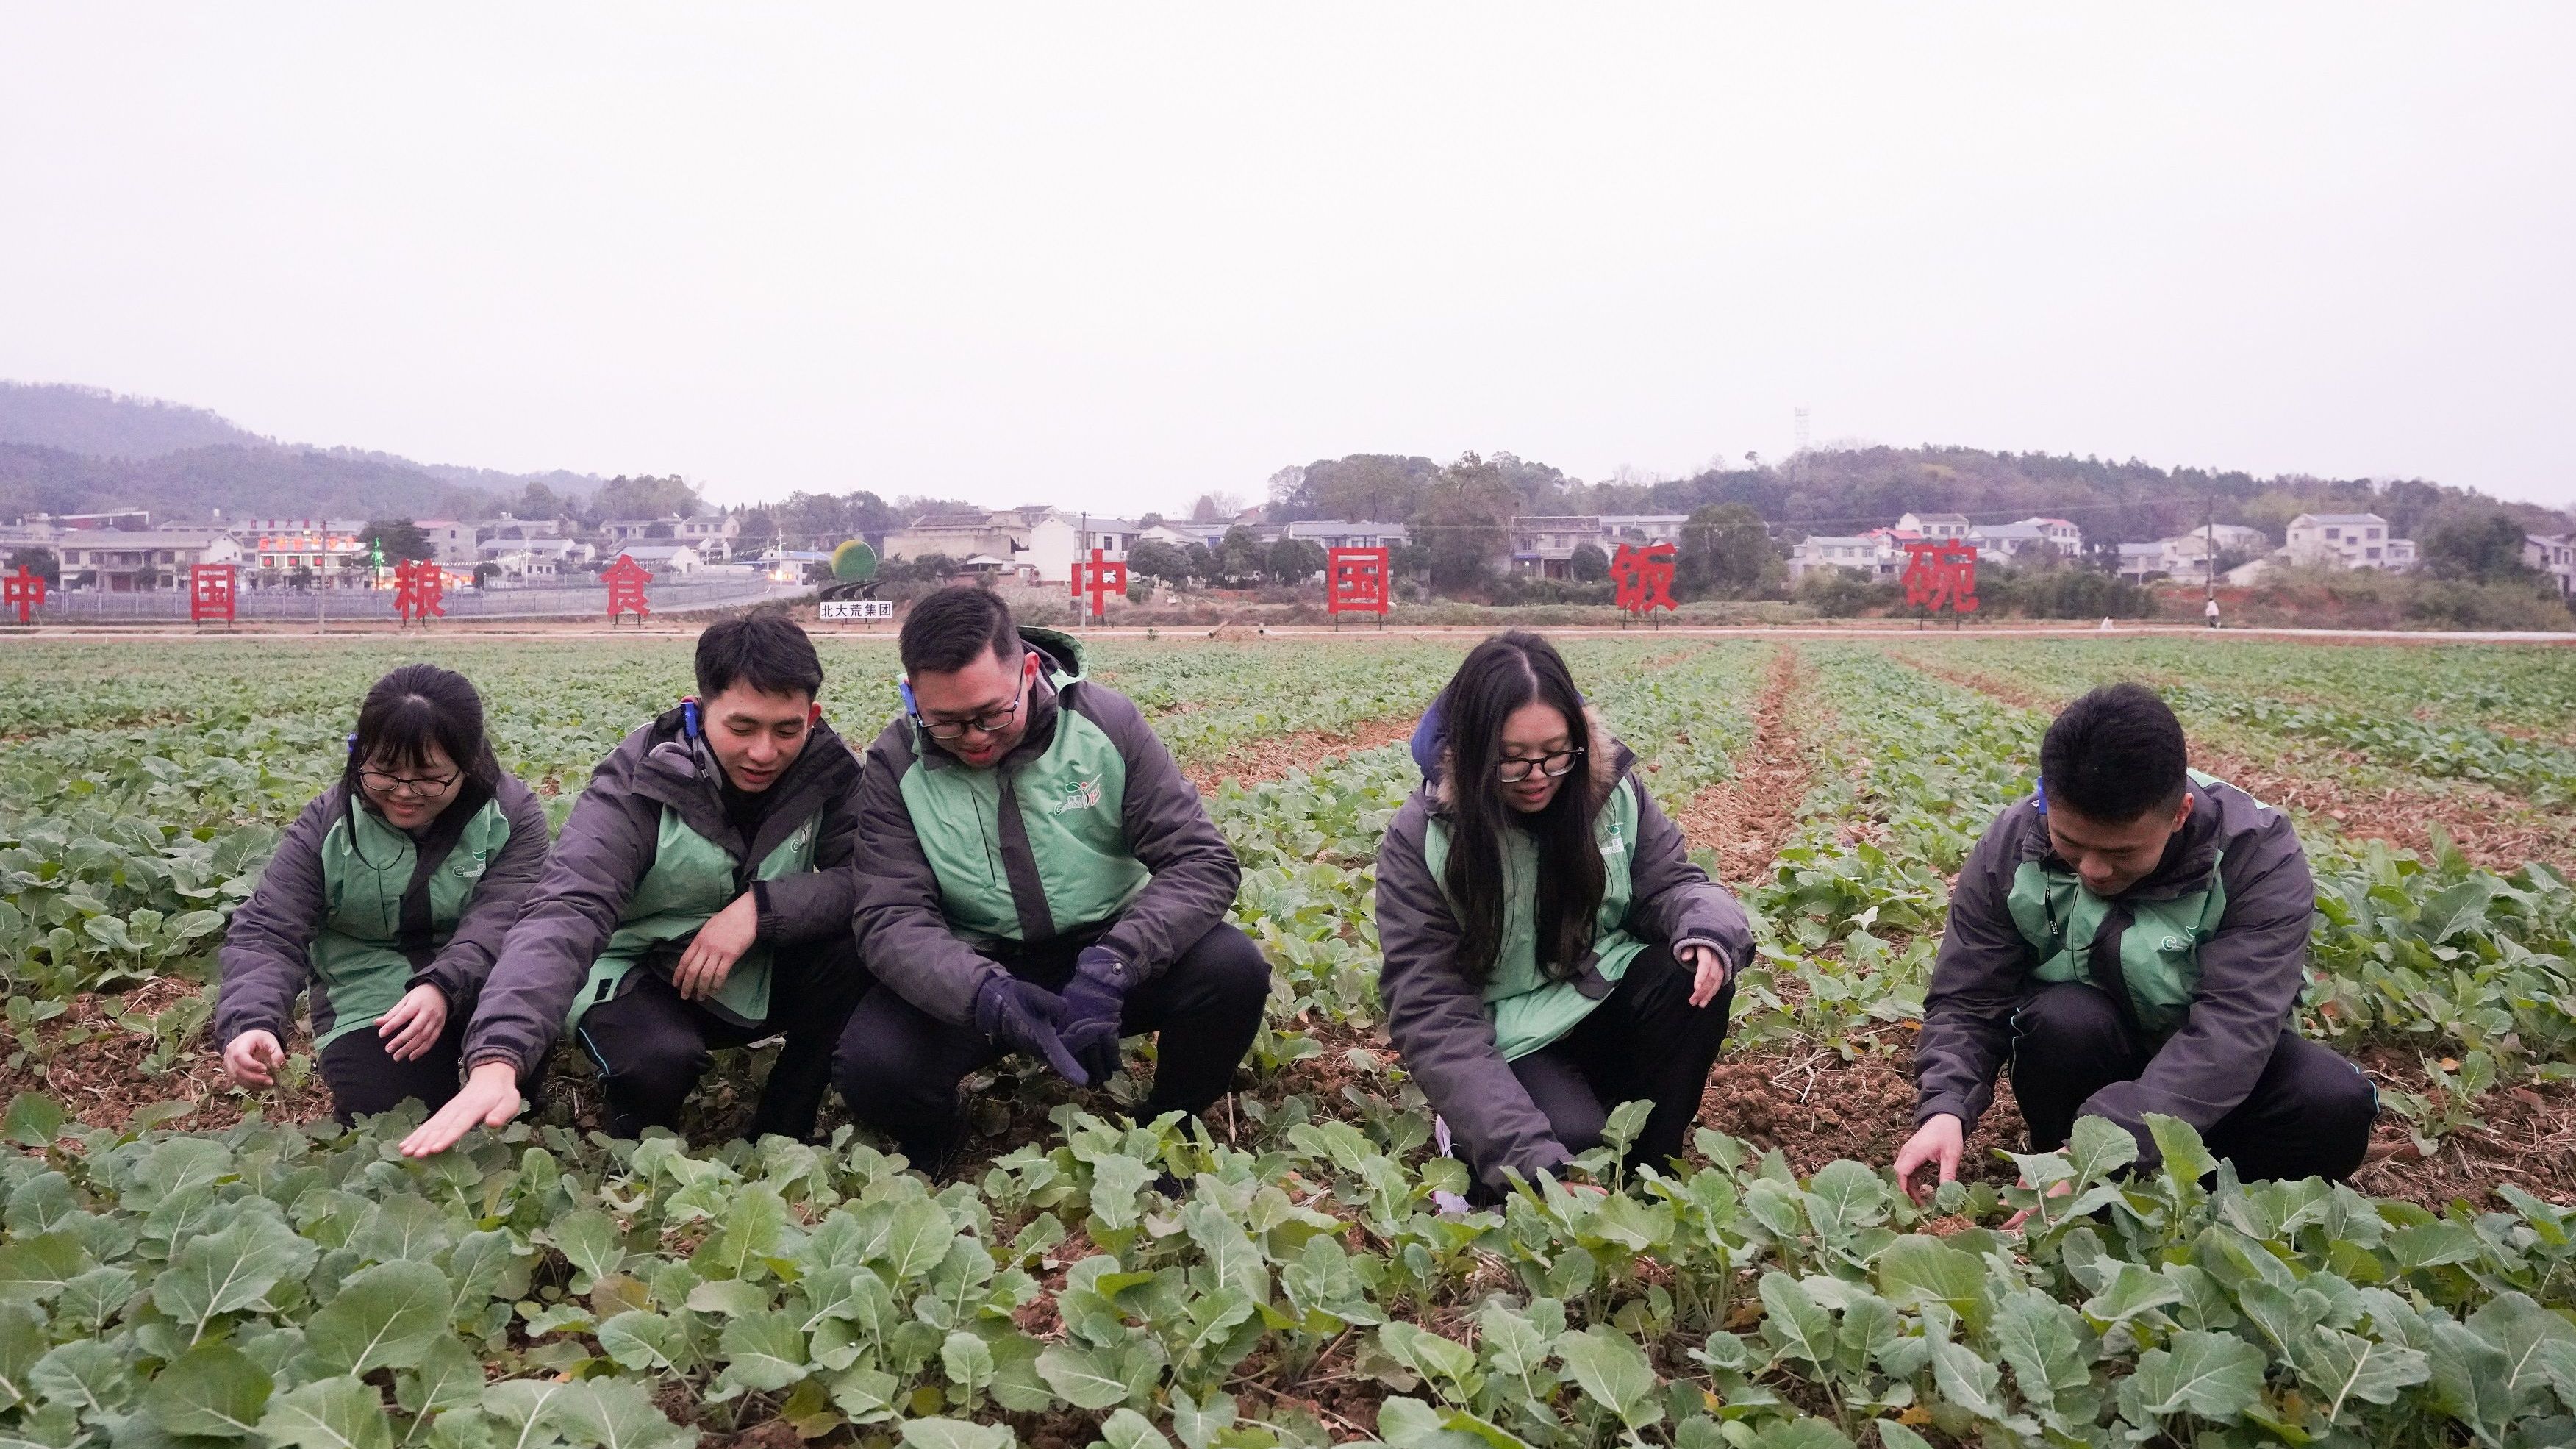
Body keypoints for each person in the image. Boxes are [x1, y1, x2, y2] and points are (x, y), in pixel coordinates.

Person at [831, 584, 1266, 1173]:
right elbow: (890, 916)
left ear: (1029, 669)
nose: (977, 738)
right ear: (912, 697)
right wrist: (987, 993)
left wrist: (1117, 962)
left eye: (992, 714)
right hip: (978, 964)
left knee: (1232, 971)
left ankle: (1171, 1127)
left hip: (1106, 948)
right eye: (948, 724)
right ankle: (939, 1134)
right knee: (874, 1065)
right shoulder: (895, 761)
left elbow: (1201, 860)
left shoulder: (1105, 723)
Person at [398, 611, 867, 1156]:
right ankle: (635, 1141)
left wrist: (760, 909)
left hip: (741, 964)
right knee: (659, 1061)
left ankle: (783, 1128)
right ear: (699, 709)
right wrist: (498, 1055)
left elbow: (868, 876)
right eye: (742, 728)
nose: (765, 751)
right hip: (631, 970)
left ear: (812, 714)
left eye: (787, 729)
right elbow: (567, 908)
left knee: (860, 944)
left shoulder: (826, 769)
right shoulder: (641, 776)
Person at [1894, 683, 2375, 1201]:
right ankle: (2073, 1177)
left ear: (2180, 814)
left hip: (2213, 1081)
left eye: (2122, 852)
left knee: (2331, 1102)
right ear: (2045, 798)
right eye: (2072, 844)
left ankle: (2199, 1196)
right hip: (2092, 1066)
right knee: (2062, 1019)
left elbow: (2234, 1028)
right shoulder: (2010, 846)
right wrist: (1945, 1107)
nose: (2095, 870)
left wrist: (2107, 1144)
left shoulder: (2255, 854)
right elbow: (1969, 998)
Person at [1375, 632, 1753, 1200]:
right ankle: (1470, 1129)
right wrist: (1533, 1165)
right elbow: (1433, 1012)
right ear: (1474, 751)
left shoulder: (1612, 794)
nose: (1537, 776)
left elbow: (1672, 883)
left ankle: (1649, 1180)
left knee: (1689, 979)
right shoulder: (1423, 839)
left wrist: (1706, 928)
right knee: (1566, 1149)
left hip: (1594, 998)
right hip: (1507, 1039)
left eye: (1555, 753)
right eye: (1511, 760)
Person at [217, 665, 550, 1124]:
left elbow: (504, 918)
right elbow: (269, 927)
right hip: (367, 984)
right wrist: (250, 1020)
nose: (405, 794)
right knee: (394, 1113)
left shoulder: (511, 814)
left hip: (485, 975)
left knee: (511, 1091)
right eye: (385, 774)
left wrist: (442, 985)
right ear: (359, 756)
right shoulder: (327, 822)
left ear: (468, 762)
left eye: (430, 779)